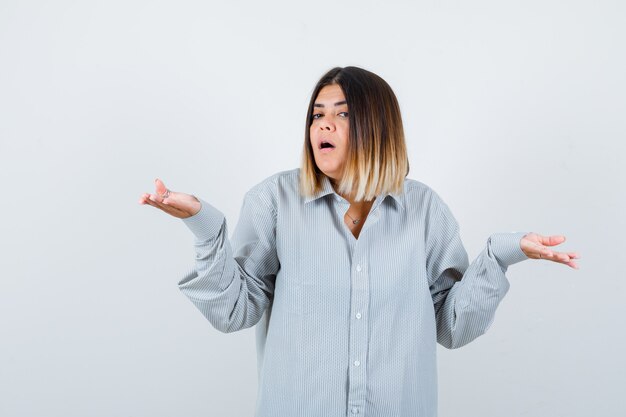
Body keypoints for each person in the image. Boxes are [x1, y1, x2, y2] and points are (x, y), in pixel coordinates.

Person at [139, 66, 579, 417]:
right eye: (317, 114)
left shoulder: (425, 211)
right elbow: (233, 311)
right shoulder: (273, 202)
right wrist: (202, 225)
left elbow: (452, 325)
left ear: (377, 125)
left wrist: (503, 254)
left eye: (341, 113)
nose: (322, 125)